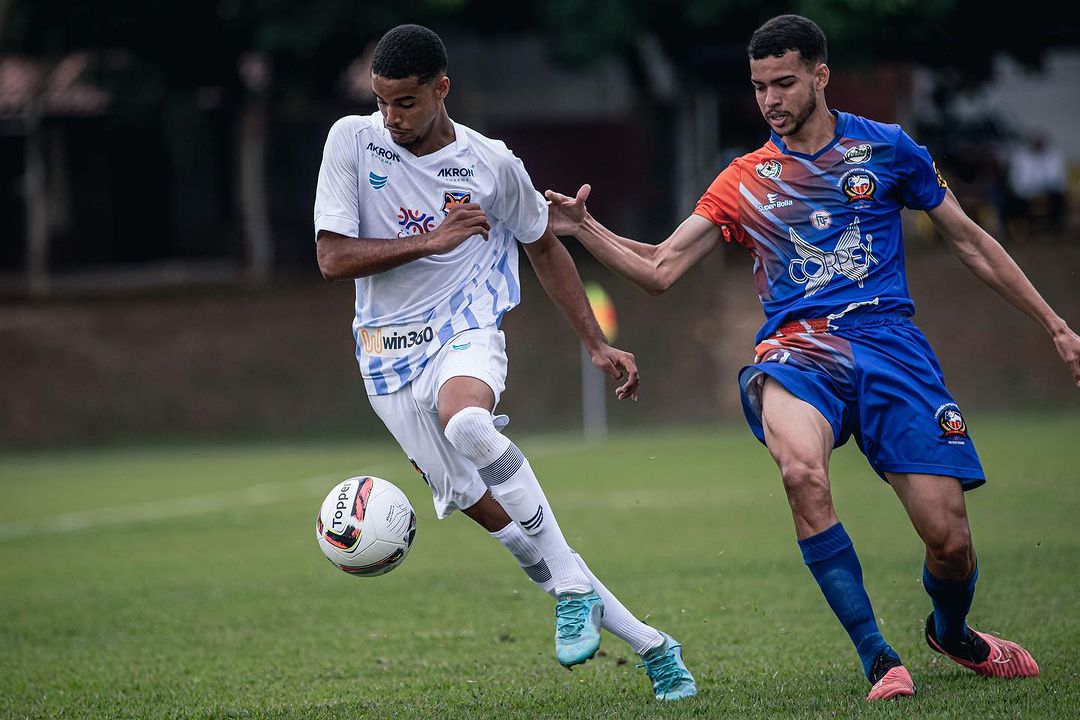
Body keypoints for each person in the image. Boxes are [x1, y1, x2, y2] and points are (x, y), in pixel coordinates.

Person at [547, 14, 1080, 703]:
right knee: (800, 470)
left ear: (821, 76)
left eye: (785, 82)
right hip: (799, 354)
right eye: (760, 85)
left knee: (949, 541)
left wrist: (1056, 325)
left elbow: (972, 242)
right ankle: (878, 657)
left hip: (894, 350)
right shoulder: (745, 177)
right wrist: (585, 229)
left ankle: (952, 632)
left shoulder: (888, 150)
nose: (770, 97)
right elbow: (659, 267)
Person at [313, 24, 696, 702]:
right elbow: (332, 258)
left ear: (441, 89)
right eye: (382, 102)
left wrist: (594, 343)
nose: (392, 117)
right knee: (514, 536)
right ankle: (653, 646)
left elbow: (544, 247)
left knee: (465, 423)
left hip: (465, 330)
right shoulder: (351, 140)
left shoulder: (492, 165)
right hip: (383, 362)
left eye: (406, 102)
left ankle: (574, 589)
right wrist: (435, 237)